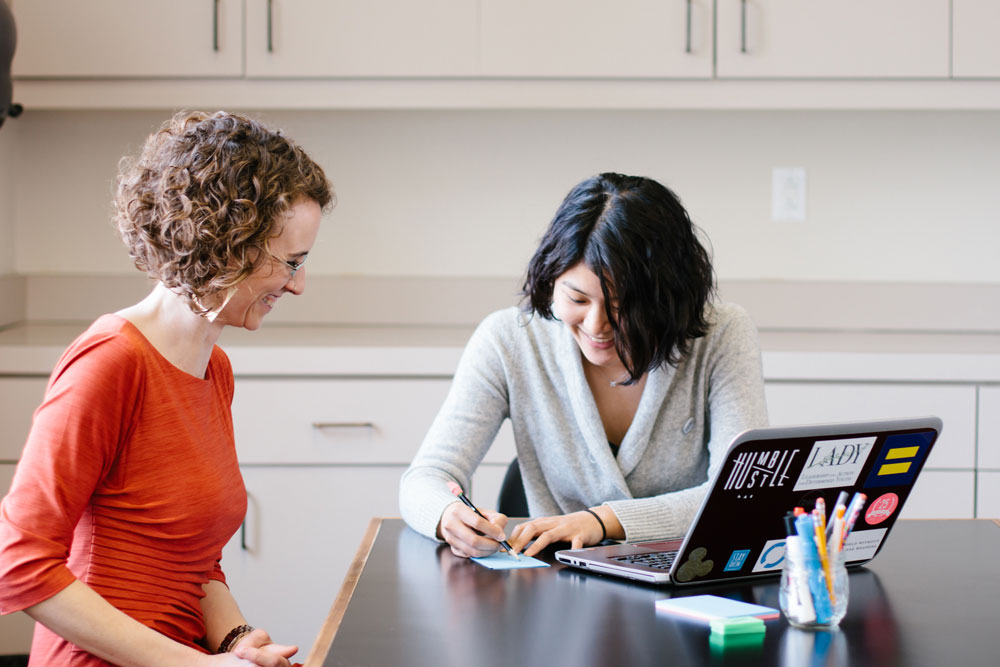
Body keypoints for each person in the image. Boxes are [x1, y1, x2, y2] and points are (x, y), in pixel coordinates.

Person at [0, 111, 333, 666]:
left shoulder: (214, 368)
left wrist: (237, 642)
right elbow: (18, 559)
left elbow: (192, 560)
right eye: (289, 262)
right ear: (225, 244)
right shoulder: (111, 363)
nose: (298, 285)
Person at [399, 172, 767, 559]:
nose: (596, 326)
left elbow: (745, 495)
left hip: (692, 577)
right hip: (558, 587)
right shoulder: (509, 340)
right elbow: (426, 477)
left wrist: (602, 520)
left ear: (667, 299)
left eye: (622, 308)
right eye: (576, 299)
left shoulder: (722, 333)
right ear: (550, 281)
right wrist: (448, 514)